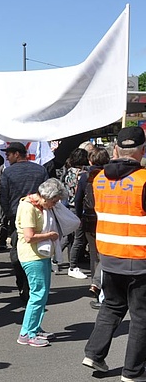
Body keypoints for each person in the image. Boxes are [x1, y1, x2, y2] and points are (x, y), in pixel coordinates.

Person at [82, 127, 146, 380]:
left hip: (108, 256)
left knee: (112, 306)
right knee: (141, 317)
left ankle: (94, 354)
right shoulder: (143, 180)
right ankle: (133, 371)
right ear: (142, 151)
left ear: (117, 149)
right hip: (139, 257)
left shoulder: (99, 180)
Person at [15, 178, 66, 347]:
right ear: (45, 197)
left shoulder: (36, 205)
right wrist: (50, 236)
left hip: (39, 255)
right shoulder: (29, 207)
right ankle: (27, 333)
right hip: (32, 256)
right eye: (54, 201)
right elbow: (29, 237)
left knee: (41, 294)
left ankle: (34, 328)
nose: (55, 204)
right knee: (38, 294)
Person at [0, 142, 49, 302]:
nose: (6, 156)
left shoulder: (8, 173)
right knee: (38, 250)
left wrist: (8, 215)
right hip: (39, 214)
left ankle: (22, 283)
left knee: (18, 251)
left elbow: (4, 197)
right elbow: (47, 193)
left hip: (17, 217)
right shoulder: (40, 170)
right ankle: (34, 284)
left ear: (17, 154)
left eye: (8, 154)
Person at [74, 147, 110, 309]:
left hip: (89, 218)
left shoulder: (84, 177)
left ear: (90, 161)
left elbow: (78, 199)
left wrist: (78, 217)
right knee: (106, 254)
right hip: (106, 218)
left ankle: (96, 284)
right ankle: (103, 286)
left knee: (94, 254)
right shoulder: (111, 176)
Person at [61, 148, 90, 279]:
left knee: (68, 237)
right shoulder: (83, 174)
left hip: (67, 207)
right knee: (78, 239)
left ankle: (52, 259)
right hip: (78, 208)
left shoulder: (68, 172)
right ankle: (72, 266)